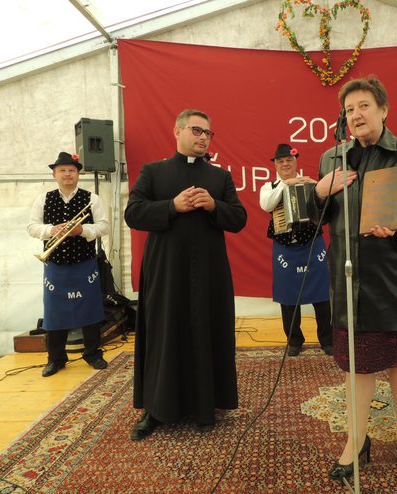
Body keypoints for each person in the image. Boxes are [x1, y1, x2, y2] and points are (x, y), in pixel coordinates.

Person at [312, 76, 397, 482]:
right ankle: (357, 439)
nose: (356, 115)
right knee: (359, 367)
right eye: (349, 110)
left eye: (364, 106)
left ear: (384, 110)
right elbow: (314, 223)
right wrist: (320, 191)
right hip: (349, 280)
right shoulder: (332, 159)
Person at [124, 109, 247, 440]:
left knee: (206, 331)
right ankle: (156, 409)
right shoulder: (153, 172)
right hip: (166, 273)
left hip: (209, 274)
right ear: (177, 131)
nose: (204, 137)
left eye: (208, 133)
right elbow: (132, 213)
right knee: (166, 333)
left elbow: (238, 219)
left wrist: (213, 205)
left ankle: (206, 405)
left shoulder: (219, 178)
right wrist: (172, 206)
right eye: (197, 130)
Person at [28, 151, 110, 377]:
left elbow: (104, 226)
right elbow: (32, 227)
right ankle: (56, 358)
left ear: (78, 174)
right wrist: (51, 230)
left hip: (84, 263)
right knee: (55, 312)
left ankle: (93, 354)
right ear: (54, 174)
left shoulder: (92, 198)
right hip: (54, 264)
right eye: (62, 170)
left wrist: (82, 230)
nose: (67, 174)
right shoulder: (43, 199)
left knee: (91, 309)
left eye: (71, 170)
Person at [259, 143, 333, 357]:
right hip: (285, 247)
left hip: (312, 243)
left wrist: (315, 186)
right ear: (275, 164)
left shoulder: (309, 183)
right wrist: (286, 184)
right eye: (280, 161)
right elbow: (267, 205)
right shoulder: (269, 187)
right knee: (288, 294)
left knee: (321, 293)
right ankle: (294, 340)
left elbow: (324, 205)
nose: (285, 164)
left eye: (288, 160)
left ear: (295, 162)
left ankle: (327, 339)